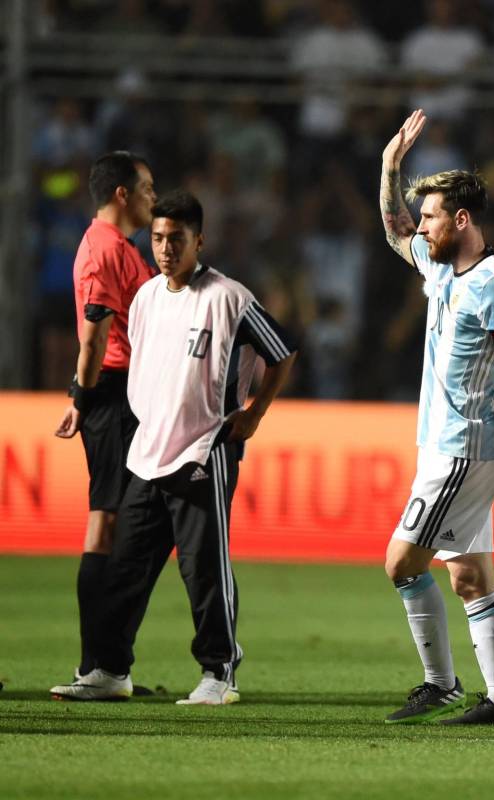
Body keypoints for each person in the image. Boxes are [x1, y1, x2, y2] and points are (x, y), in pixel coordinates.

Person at [52, 190, 296, 704]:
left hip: (204, 451)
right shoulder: (145, 297)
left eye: (176, 239)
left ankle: (219, 673)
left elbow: (282, 351)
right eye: (159, 238)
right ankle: (110, 670)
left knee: (203, 569)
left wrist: (253, 414)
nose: (165, 248)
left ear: (198, 241)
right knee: (124, 568)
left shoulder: (229, 298)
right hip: (148, 452)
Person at [379, 109, 494, 725]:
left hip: (464, 450)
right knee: (470, 576)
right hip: (445, 447)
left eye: (431, 217)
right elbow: (394, 230)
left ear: (463, 220)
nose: (421, 228)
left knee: (402, 563)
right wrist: (390, 165)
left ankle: (441, 683)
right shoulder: (440, 265)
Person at [50, 151, 156, 700]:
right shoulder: (102, 250)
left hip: (129, 395)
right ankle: (97, 666)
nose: (153, 198)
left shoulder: (120, 248)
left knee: (136, 528)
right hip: (114, 397)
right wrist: (83, 397)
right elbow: (94, 340)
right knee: (108, 525)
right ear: (122, 193)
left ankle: (110, 662)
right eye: (147, 188)